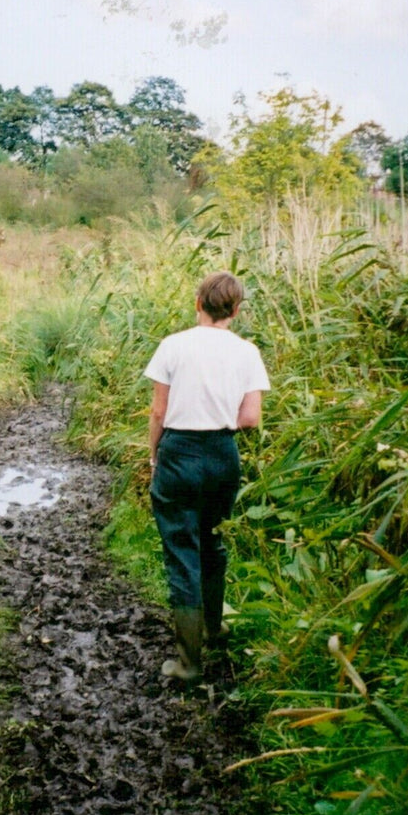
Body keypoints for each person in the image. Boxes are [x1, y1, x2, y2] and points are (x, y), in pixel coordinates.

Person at [144, 271, 270, 680]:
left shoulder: (173, 345)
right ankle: (214, 628)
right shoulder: (247, 352)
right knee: (213, 542)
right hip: (222, 454)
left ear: (198, 302)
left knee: (182, 548)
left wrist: (154, 454)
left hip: (179, 451)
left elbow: (159, 411)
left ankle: (189, 662)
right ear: (235, 310)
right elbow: (250, 418)